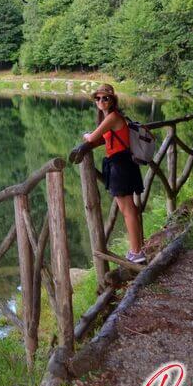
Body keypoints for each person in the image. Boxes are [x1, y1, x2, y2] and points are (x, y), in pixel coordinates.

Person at [70, 84, 146, 263]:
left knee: (127, 209)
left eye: (105, 98)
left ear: (113, 100)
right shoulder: (111, 117)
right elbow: (103, 137)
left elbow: (92, 137)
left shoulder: (112, 117)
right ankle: (137, 249)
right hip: (123, 163)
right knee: (129, 209)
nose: (101, 101)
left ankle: (137, 252)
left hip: (120, 164)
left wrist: (88, 136)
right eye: (98, 98)